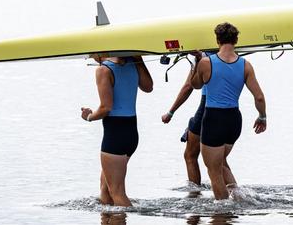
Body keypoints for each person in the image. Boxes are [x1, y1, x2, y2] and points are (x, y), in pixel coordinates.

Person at [190, 22, 267, 200]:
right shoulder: (245, 65)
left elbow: (195, 85)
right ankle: (239, 199)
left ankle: (223, 212)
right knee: (221, 164)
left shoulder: (205, 63)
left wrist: (196, 62)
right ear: (236, 40)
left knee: (214, 171)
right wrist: (262, 116)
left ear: (217, 39)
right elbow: (260, 97)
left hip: (214, 119)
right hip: (233, 120)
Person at [80, 55, 153, 207]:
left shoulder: (103, 70)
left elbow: (106, 108)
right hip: (131, 133)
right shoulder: (133, 61)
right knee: (105, 191)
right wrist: (137, 58)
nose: (89, 56)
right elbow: (148, 87)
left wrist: (89, 117)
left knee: (117, 193)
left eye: (90, 53)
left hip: (115, 134)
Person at [161, 54, 212, 186]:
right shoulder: (232, 57)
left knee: (190, 155)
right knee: (219, 160)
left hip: (207, 108)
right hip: (230, 111)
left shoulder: (203, 59)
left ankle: (195, 195)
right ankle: (234, 195)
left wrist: (170, 112)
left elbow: (189, 86)